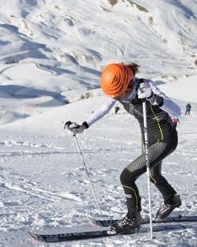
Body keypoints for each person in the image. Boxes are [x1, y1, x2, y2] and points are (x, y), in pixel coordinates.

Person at [65, 63, 182, 234]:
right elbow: (104, 108)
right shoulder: (119, 90)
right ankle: (172, 200)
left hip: (166, 139)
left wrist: (154, 99)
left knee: (127, 176)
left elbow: (177, 110)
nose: (117, 97)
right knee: (154, 175)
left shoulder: (147, 87)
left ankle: (133, 218)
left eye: (119, 94)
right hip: (148, 137)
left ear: (128, 84)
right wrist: (84, 126)